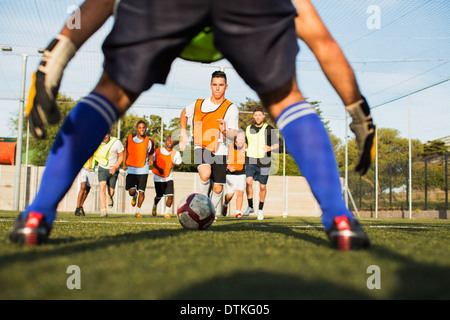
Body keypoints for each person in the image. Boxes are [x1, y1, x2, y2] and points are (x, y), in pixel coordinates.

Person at [11, 0, 374, 251]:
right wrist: (358, 110)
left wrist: (57, 54)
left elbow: (101, 4)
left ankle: (37, 214)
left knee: (110, 93)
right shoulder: (199, 106)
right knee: (286, 100)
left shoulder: (228, 108)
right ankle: (340, 220)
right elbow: (321, 40)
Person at [180, 71, 239, 217]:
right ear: (210, 86)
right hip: (201, 144)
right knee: (205, 174)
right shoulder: (199, 103)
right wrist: (183, 132)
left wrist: (225, 131)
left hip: (221, 148)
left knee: (218, 188)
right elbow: (184, 113)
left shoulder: (231, 108)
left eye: (221, 85)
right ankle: (203, 204)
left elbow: (233, 135)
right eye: (215, 85)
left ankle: (210, 212)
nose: (217, 88)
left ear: (226, 86)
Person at [242, 107, 279, 220]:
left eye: (260, 115)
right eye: (256, 115)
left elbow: (277, 144)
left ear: (263, 116)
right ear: (253, 117)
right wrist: (244, 149)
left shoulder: (269, 129)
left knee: (262, 186)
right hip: (251, 160)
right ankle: (250, 206)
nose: (258, 117)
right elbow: (246, 142)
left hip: (264, 161)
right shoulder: (248, 129)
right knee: (248, 182)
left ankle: (260, 210)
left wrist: (270, 148)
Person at [123, 120, 154, 218]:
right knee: (131, 191)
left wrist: (151, 160)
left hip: (143, 169)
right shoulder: (130, 139)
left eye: (143, 127)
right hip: (131, 169)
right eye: (140, 127)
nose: (142, 129)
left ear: (146, 129)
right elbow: (126, 152)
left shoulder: (149, 141)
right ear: (137, 128)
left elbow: (151, 154)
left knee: (142, 191)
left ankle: (137, 212)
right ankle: (134, 196)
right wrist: (124, 164)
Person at [151, 136, 182, 218]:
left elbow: (179, 164)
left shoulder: (176, 153)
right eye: (168, 140)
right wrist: (158, 168)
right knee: (159, 195)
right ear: (165, 142)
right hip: (158, 178)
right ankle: (154, 205)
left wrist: (174, 165)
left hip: (169, 178)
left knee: (170, 196)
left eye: (172, 141)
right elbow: (153, 162)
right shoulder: (158, 151)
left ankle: (166, 213)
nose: (170, 142)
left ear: (174, 143)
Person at [96, 130, 124, 217]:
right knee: (102, 187)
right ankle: (104, 210)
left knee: (111, 191)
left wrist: (115, 167)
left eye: (106, 134)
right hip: (102, 168)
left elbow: (122, 155)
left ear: (109, 134)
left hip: (113, 168)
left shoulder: (116, 142)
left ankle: (110, 197)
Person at [222, 130, 246, 219]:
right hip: (230, 173)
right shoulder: (229, 146)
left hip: (241, 173)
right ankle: (225, 204)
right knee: (230, 194)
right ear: (235, 140)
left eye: (243, 139)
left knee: (240, 192)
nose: (241, 141)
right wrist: (228, 166)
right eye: (239, 139)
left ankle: (238, 212)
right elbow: (223, 159)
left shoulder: (246, 147)